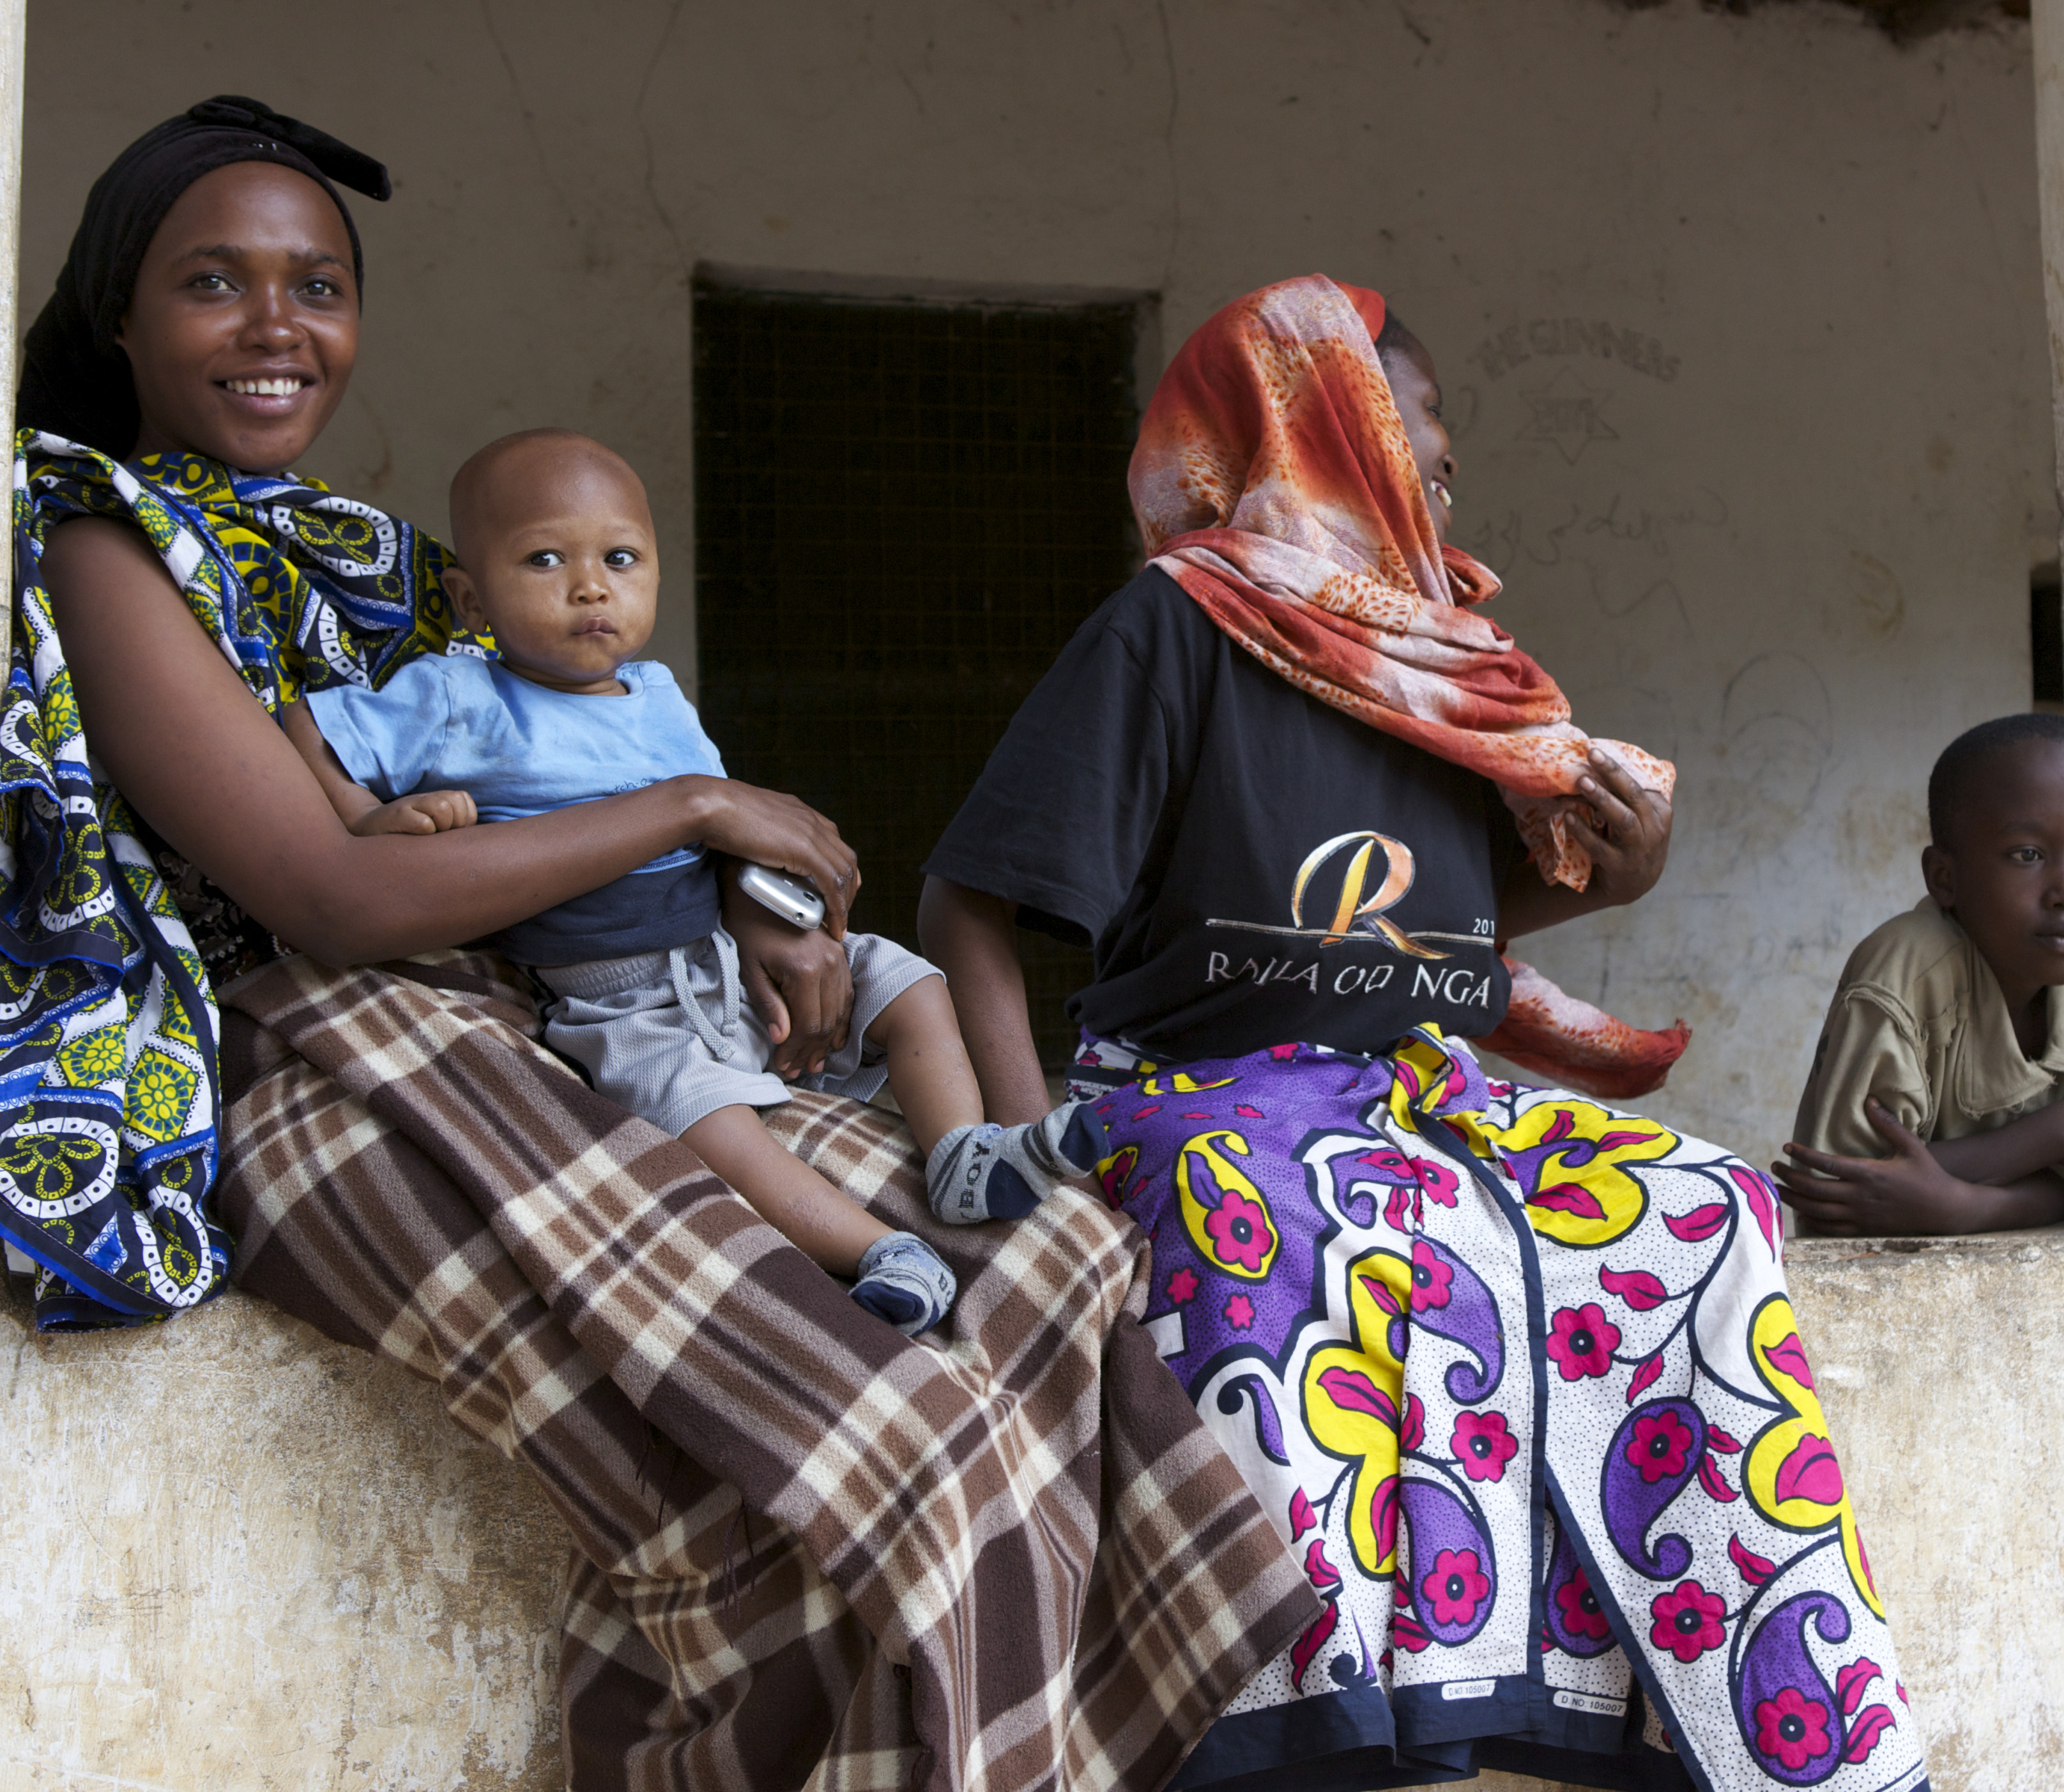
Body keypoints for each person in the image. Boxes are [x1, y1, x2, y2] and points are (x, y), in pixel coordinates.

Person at [6, 96, 1311, 1789]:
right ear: (118, 310)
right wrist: (701, 813)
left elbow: (537, 802)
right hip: (321, 1065)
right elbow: (327, 895)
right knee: (891, 1452)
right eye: (214, 283)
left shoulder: (389, 566)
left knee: (1045, 1271)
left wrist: (751, 913)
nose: (278, 327)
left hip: (535, 1025)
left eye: (317, 284)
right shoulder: (101, 542)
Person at [920, 275, 1930, 1792]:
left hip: (1415, 1095)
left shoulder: (1452, 663)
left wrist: (1625, 870)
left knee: (1706, 1209)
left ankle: (1748, 1713)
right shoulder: (1176, 626)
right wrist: (1026, 1157)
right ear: (1313, 420)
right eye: (1418, 409)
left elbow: (1433, 944)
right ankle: (1321, 1724)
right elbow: (963, 904)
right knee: (1297, 1209)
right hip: (1203, 1093)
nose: (1449, 449)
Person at [281, 429, 1103, 1332]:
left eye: (621, 558)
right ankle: (875, 1250)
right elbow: (305, 726)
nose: (591, 585)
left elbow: (733, 838)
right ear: (471, 598)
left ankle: (959, 1154)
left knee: (910, 984)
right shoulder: (458, 696)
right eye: (545, 558)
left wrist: (777, 911)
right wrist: (364, 815)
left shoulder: (660, 694)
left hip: (720, 952)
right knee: (703, 1119)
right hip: (619, 998)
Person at [1775, 714, 2064, 1237]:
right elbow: (1841, 1202)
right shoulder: (1905, 976)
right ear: (1944, 878)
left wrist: (1960, 1206)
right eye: (2028, 854)